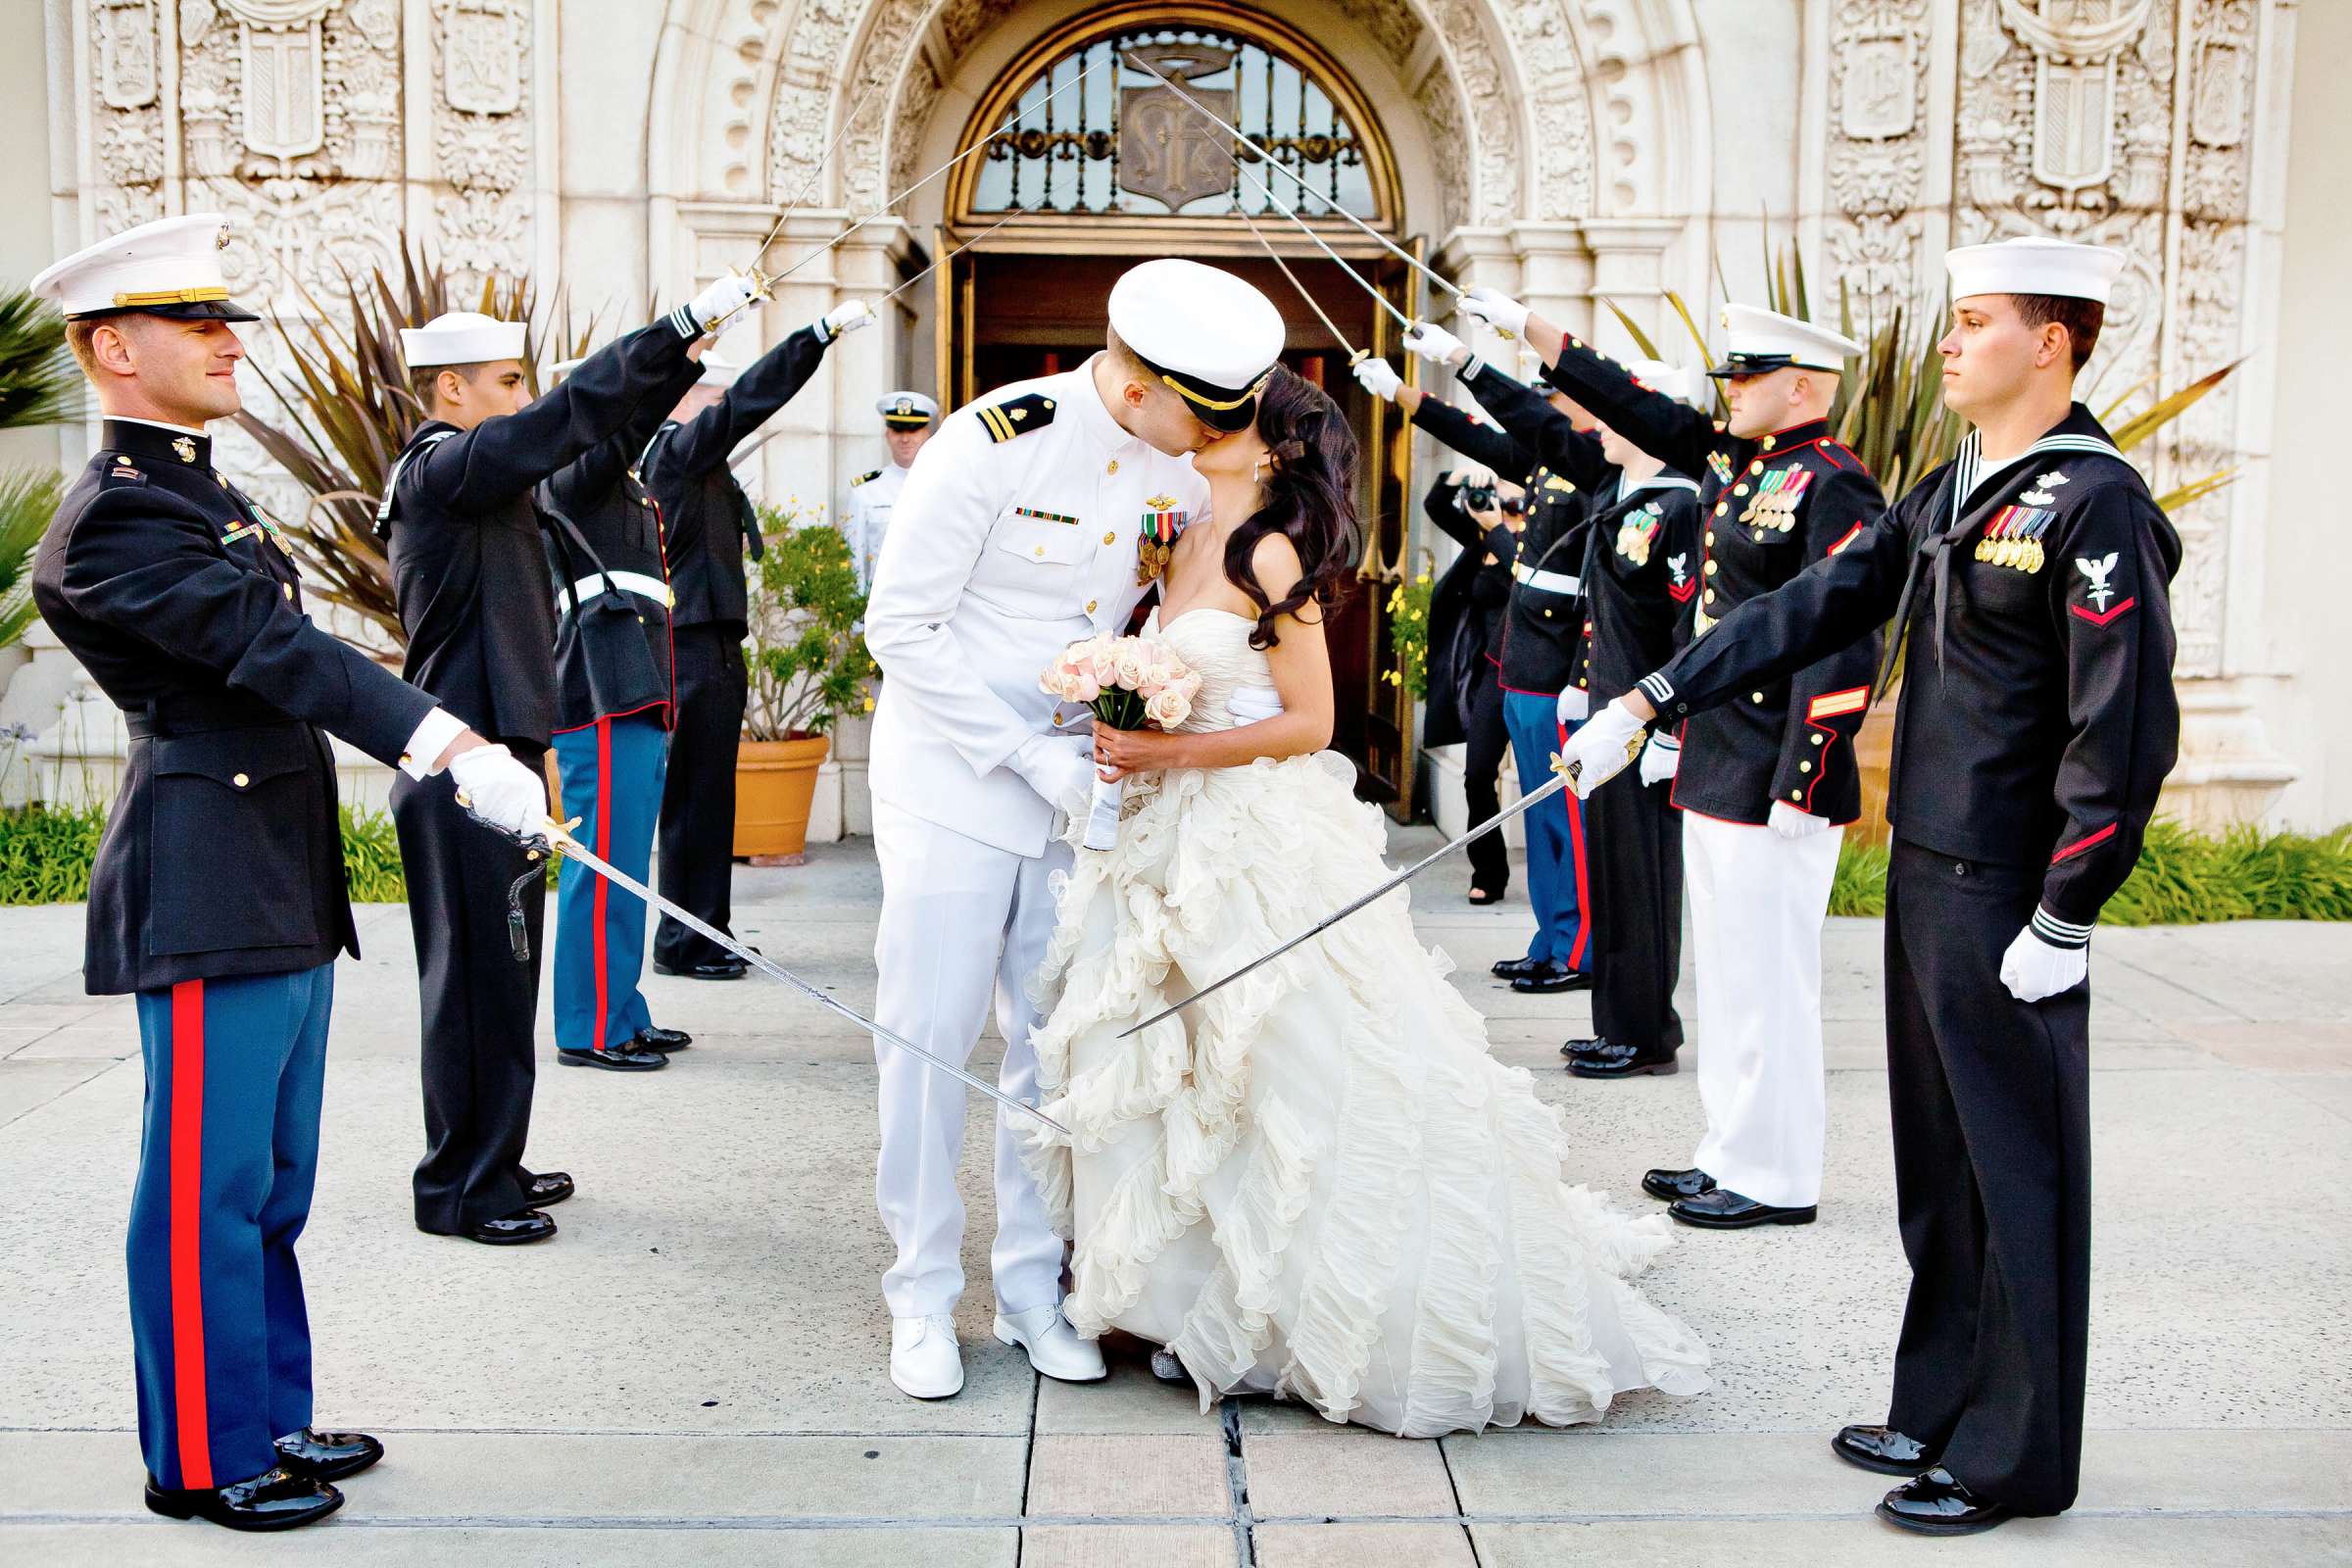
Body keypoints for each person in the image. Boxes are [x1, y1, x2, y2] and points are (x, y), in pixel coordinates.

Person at [1555, 236, 2174, 1534]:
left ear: (2051, 341)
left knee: (2019, 1172)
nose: (1949, 344)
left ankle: (2012, 1458)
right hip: (1928, 870)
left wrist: (2069, 910)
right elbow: (1825, 599)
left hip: (2011, 891)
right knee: (1940, 1167)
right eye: (1952, 323)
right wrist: (1660, 693)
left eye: (1976, 321)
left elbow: (2120, 732)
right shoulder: (1959, 487)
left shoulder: (2091, 502)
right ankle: (1938, 1401)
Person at [1022, 368, 1711, 1436]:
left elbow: (1310, 719)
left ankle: (1278, 1316)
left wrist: (1165, 741)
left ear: (1261, 446)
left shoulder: (1268, 551)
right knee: (1186, 1064)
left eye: (1217, 414)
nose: (1189, 425)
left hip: (1254, 835)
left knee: (1283, 1061)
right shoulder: (1182, 536)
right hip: (1167, 833)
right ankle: (1187, 1304)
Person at [27, 215, 549, 1530]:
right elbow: (278, 656)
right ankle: (200, 1456)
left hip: (273, 869)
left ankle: (263, 1411)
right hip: (206, 880)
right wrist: (446, 738)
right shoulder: (114, 523)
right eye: (190, 322)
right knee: (205, 1187)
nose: (224, 341)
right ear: (110, 348)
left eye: (223, 318)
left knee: (270, 1177)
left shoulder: (197, 493)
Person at [860, 259, 1270, 1400]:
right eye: (1197, 414)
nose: (1206, 440)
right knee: (930, 1040)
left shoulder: (1175, 468)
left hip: (1082, 797)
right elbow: (900, 625)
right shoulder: (994, 441)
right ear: (1139, 388)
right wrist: (1023, 750)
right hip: (954, 780)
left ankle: (1035, 1288)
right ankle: (922, 1294)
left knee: (1054, 1048)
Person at [1462, 290, 1886, 1232]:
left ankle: (1779, 1177)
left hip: (1775, 772)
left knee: (1773, 985)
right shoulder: (1746, 465)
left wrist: (1805, 773)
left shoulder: (1835, 482)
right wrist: (1534, 332)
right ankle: (1732, 1153)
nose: (1730, 390)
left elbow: (1841, 636)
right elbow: (1642, 411)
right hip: (1715, 759)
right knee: (1733, 981)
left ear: (1804, 387)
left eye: (1750, 376)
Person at [379, 277, 756, 1246]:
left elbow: (593, 426)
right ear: (450, 389)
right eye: (505, 381)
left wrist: (682, 355)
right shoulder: (442, 470)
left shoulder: (478, 481)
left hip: (499, 759)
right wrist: (664, 332)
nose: (521, 398)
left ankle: (491, 1159)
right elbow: (570, 415)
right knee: (470, 987)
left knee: (500, 982)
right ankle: (458, 1187)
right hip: (458, 767)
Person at [1426, 347, 1707, 1074]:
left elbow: (1684, 627)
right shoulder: (1624, 492)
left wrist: (1673, 727)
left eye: (1614, 417)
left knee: (1641, 885)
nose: (1596, 430)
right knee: (1614, 881)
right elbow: (1604, 610)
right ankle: (1619, 1023)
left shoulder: (1679, 502)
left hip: (1646, 725)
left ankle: (1647, 1035)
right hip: (1608, 712)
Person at [641, 302, 872, 980]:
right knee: (697, 799)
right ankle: (688, 939)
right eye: (711, 398)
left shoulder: (687, 459)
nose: (721, 413)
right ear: (689, 403)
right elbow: (750, 403)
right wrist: (815, 337)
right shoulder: (678, 453)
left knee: (708, 798)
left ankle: (704, 930)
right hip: (692, 642)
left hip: (706, 642)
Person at [1357, 350, 1595, 976]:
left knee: (1564, 822)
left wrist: (1496, 530)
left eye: (1553, 397)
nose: (1541, 407)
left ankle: (1577, 946)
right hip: (1519, 669)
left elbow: (1556, 576)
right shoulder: (1548, 464)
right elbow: (1477, 436)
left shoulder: (1594, 470)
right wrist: (1405, 395)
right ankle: (1551, 938)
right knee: (1540, 820)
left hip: (1557, 674)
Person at [540, 348, 706, 1071]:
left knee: (628, 864)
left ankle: (622, 1008)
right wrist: (674, 358)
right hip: (599, 692)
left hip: (634, 691)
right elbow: (624, 426)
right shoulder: (576, 473)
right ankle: (589, 1026)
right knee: (602, 867)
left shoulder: (624, 484)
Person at [1416, 467, 1519, 903]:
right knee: (1478, 775)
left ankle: (1568, 878)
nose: (1503, 511)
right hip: (1486, 676)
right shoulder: (1481, 542)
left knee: (1540, 780)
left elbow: (1525, 571)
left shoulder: (1540, 543)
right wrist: (1456, 477)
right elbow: (1436, 506)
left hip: (1533, 674)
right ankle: (1489, 871)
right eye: (1498, 500)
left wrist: (1499, 530)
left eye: (1515, 506)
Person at [844, 389, 940, 592]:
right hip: (882, 605)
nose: (905, 439)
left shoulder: (946, 487)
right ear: (888, 435)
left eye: (913, 430)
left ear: (926, 434)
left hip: (931, 603)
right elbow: (854, 560)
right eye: (898, 430)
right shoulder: (865, 492)